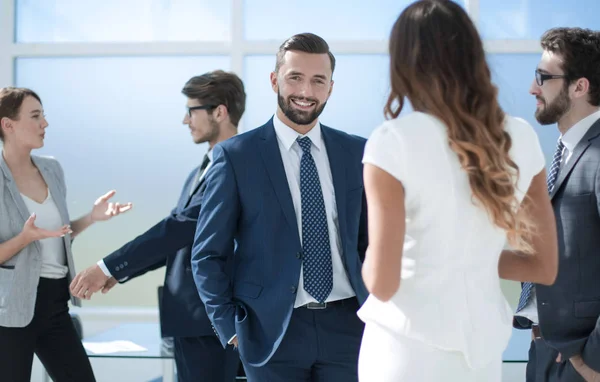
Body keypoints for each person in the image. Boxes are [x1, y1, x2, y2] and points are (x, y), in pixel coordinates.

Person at [355, 1, 559, 381]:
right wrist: (472, 256)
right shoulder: (520, 137)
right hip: (480, 360)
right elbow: (543, 267)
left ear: (403, 64)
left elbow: (382, 284)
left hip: (402, 354)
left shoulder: (393, 141)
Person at [191, 33, 368, 382]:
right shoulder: (236, 156)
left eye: (318, 80)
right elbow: (208, 255)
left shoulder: (356, 153)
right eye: (295, 77)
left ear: (330, 88)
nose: (306, 91)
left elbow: (371, 242)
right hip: (270, 332)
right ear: (275, 80)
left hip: (350, 327)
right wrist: (230, 327)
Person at [69, 71, 246, 382]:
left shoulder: (238, 164)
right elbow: (180, 242)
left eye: (192, 111)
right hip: (190, 321)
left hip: (211, 321)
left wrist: (107, 267)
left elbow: (179, 228)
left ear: (220, 111)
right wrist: (120, 272)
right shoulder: (199, 171)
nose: (185, 120)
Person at [0, 87, 132, 382]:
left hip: (55, 302)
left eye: (43, 116)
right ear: (7, 124)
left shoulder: (51, 169)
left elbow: (56, 236)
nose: (44, 123)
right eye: (35, 116)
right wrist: (25, 238)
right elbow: (30, 238)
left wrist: (91, 218)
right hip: (10, 306)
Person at [513, 27, 600, 382]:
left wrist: (593, 361)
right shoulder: (564, 152)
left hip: (581, 359)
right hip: (544, 349)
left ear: (579, 87)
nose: (534, 89)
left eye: (543, 78)